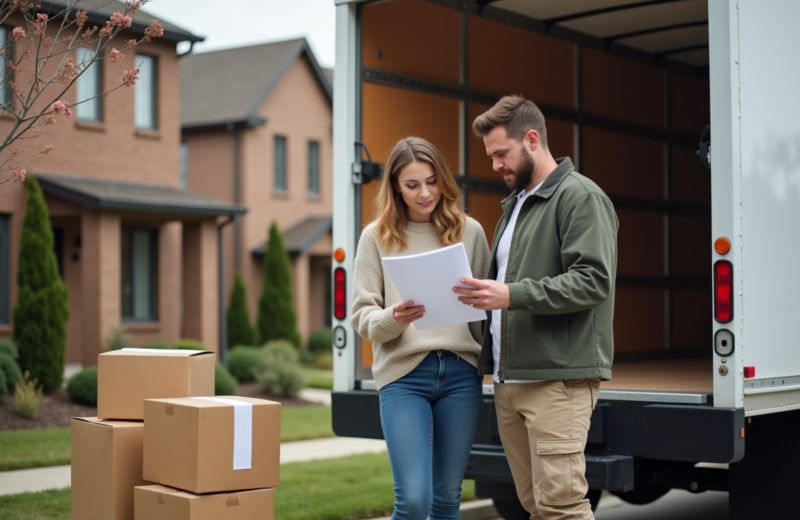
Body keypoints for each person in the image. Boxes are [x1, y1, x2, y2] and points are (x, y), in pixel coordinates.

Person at [454, 95, 618, 520]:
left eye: (500, 154)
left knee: (562, 507)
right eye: (490, 156)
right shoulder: (515, 208)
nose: (494, 166)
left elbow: (593, 280)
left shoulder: (580, 197)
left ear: (531, 139)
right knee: (535, 506)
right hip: (511, 380)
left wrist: (511, 295)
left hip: (556, 383)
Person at [351, 136, 491, 520]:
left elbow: (489, 308)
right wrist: (392, 318)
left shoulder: (470, 232)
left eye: (431, 181)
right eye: (412, 185)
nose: (425, 193)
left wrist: (477, 299)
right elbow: (362, 317)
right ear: (395, 185)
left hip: (461, 374)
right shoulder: (375, 238)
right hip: (403, 375)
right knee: (413, 501)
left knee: (447, 500)